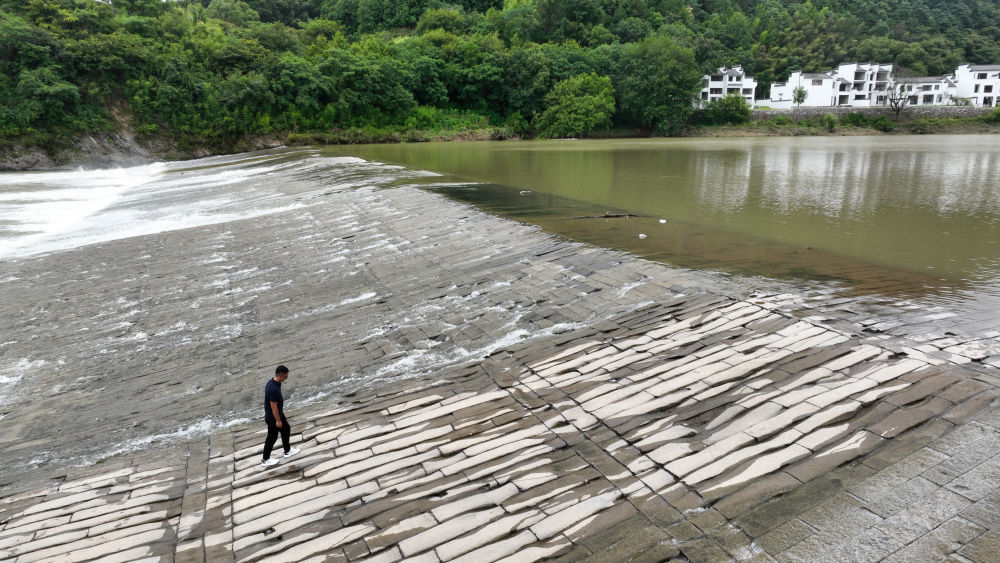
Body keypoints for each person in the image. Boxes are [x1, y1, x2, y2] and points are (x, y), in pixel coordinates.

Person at [261, 365, 300, 467]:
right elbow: (273, 406)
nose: (286, 379)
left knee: (286, 429)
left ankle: (287, 451)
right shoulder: (274, 388)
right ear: (281, 376)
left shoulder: (272, 382)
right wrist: (278, 421)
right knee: (272, 438)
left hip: (277, 414)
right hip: (273, 417)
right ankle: (265, 459)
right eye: (286, 377)